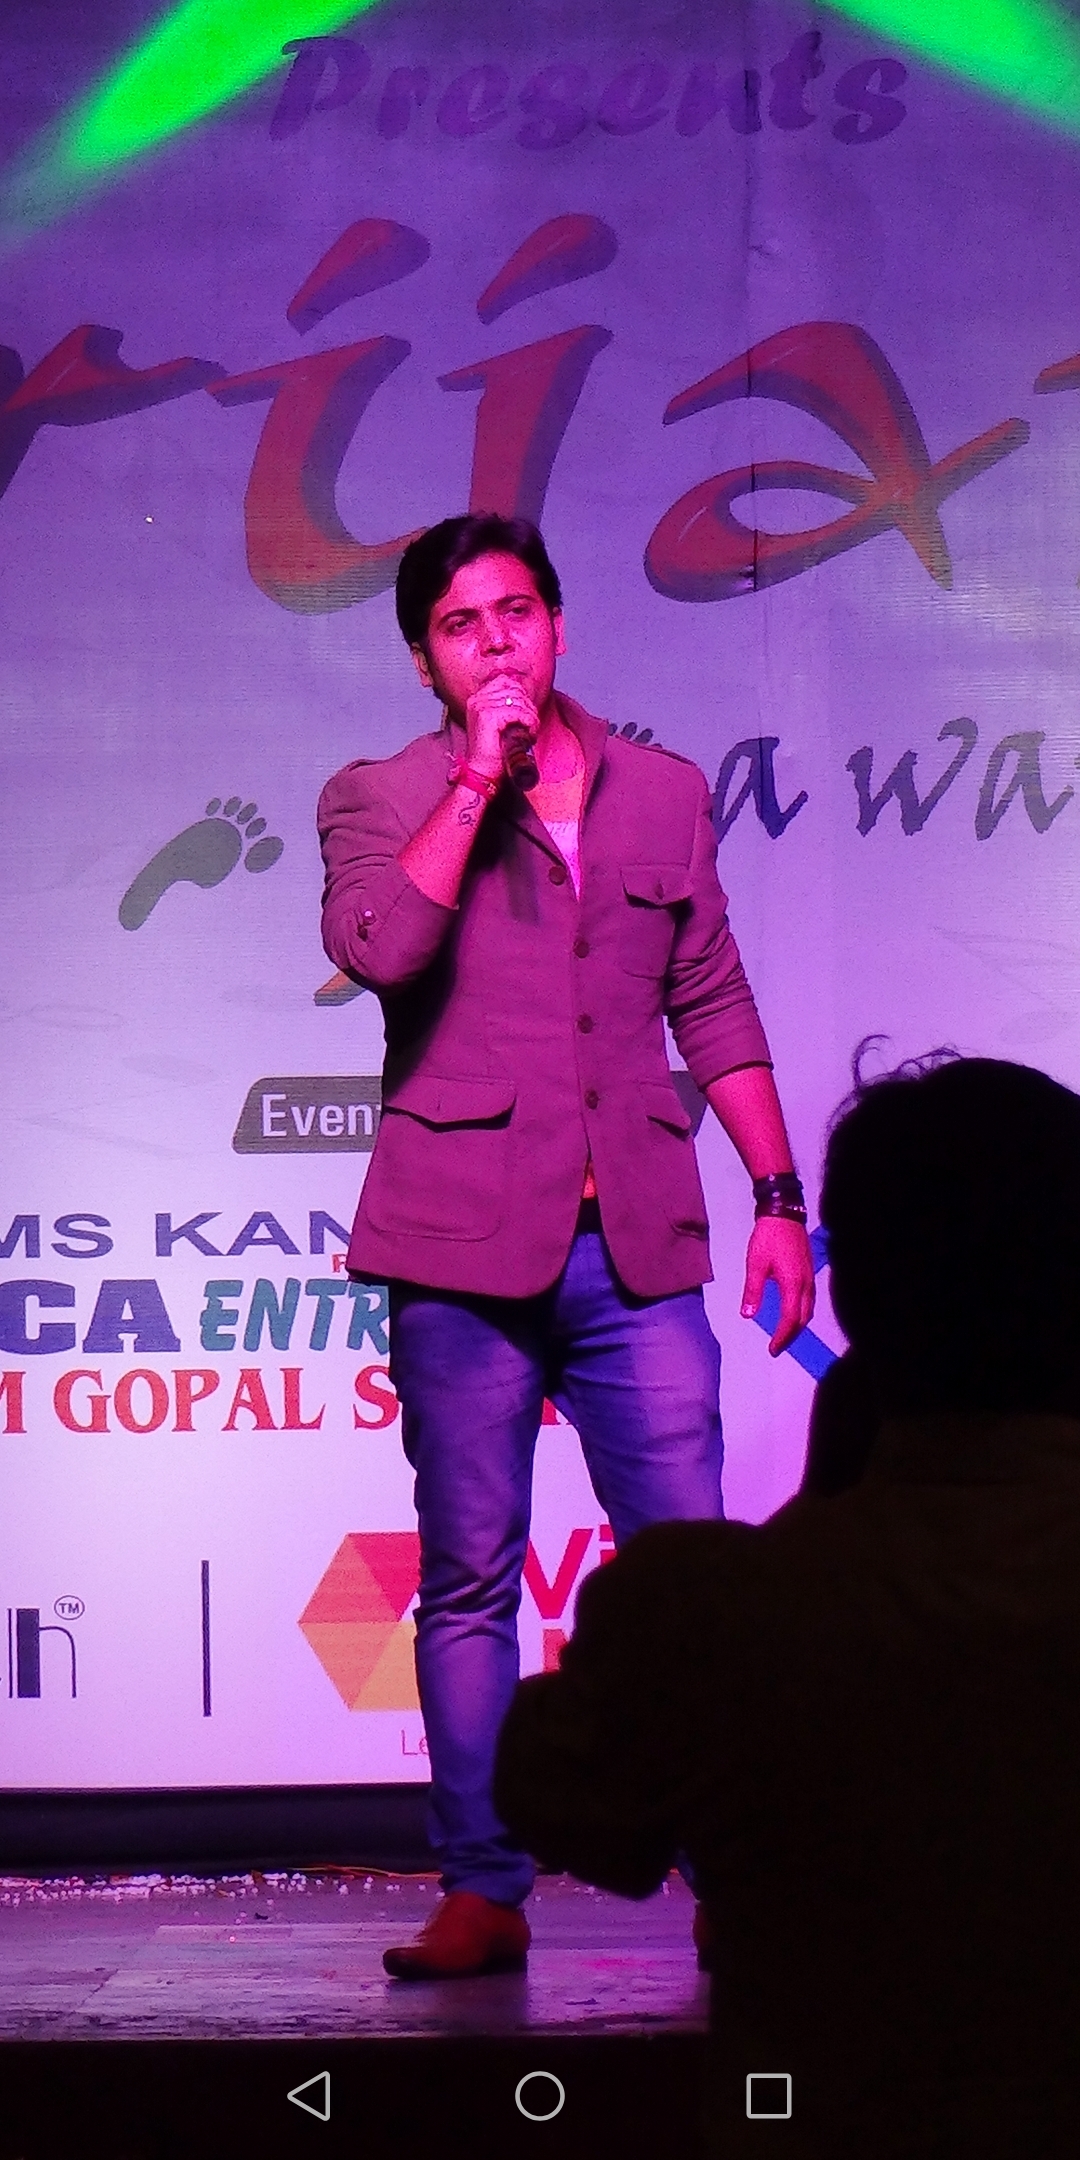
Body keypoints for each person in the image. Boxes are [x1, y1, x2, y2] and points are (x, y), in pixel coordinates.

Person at [318, 512, 814, 1980]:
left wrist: (778, 1197)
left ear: (558, 627)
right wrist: (479, 775)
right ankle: (485, 1886)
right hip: (460, 1249)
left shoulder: (662, 793)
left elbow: (710, 1000)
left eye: (517, 613)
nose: (497, 644)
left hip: (637, 1245)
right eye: (461, 627)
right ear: (426, 662)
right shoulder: (377, 794)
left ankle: (735, 1874)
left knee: (689, 1577)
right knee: (472, 1574)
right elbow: (381, 949)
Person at [494, 1053, 1080, 2157]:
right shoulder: (718, 1606)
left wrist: (823, 1509)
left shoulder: (710, 1611)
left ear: (850, 1289)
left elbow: (560, 1799)